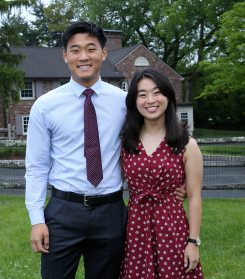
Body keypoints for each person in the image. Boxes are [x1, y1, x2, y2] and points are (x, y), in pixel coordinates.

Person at [25, 22, 186, 279]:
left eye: (91, 48)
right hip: (63, 211)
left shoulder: (125, 103)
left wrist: (179, 181)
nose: (84, 57)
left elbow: (158, 137)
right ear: (65, 56)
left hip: (112, 212)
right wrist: (37, 219)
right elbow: (36, 168)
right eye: (75, 50)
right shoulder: (44, 106)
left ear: (103, 53)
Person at [119, 68, 204, 279]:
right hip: (135, 229)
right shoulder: (125, 143)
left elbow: (194, 196)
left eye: (157, 92)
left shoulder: (186, 145)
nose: (151, 100)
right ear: (134, 101)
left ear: (168, 96)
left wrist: (193, 242)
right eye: (142, 94)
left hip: (172, 227)